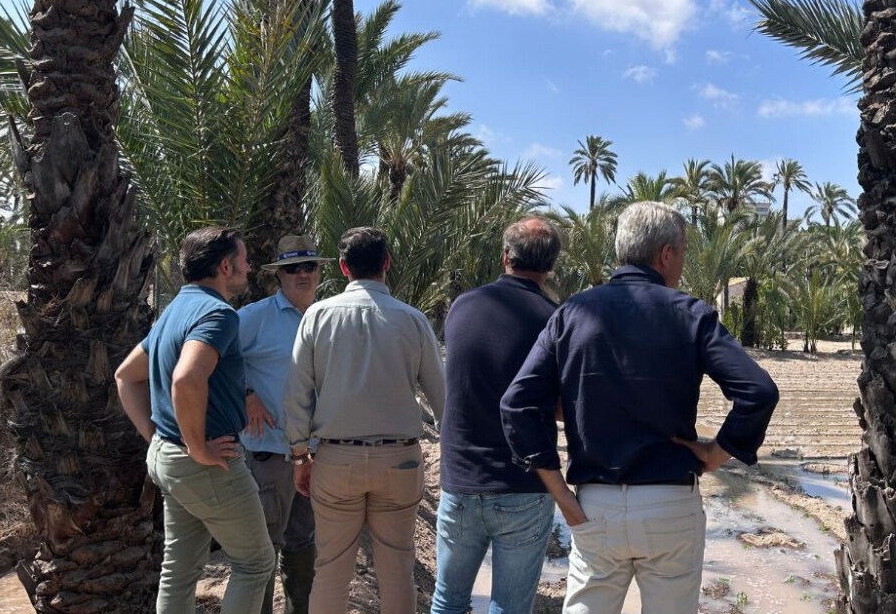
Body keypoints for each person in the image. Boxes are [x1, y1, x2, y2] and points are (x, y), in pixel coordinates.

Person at [500, 201, 780, 614]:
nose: (681, 263)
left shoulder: (571, 314)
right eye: (682, 252)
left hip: (594, 506)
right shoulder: (691, 315)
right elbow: (758, 391)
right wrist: (713, 455)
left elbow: (518, 403)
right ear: (666, 254)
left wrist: (561, 495)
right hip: (670, 505)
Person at [283, 226, 446, 614]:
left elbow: (296, 393)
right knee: (397, 569)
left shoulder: (318, 317)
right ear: (386, 263)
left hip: (336, 462)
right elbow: (442, 400)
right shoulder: (413, 320)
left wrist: (300, 455)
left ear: (342, 267)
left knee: (332, 569)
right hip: (400, 462)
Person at [115, 226, 276, 614]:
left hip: (168, 460)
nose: (250, 268)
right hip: (206, 465)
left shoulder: (176, 309)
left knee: (180, 568)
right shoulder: (218, 314)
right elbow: (186, 377)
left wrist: (157, 438)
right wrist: (197, 446)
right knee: (256, 563)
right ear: (225, 266)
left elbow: (125, 375)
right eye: (244, 261)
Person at [432, 218, 563, 614]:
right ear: (550, 267)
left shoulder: (462, 307)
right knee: (509, 607)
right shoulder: (555, 319)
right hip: (523, 484)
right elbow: (559, 405)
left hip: (461, 481)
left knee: (448, 601)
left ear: (504, 256)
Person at [240, 235, 333, 614]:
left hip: (315, 456)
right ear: (278, 275)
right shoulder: (254, 317)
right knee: (262, 550)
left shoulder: (328, 317)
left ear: (320, 271)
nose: (302, 275)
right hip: (270, 455)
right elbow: (209, 359)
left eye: (309, 266)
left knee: (302, 544)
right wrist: (245, 395)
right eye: (293, 268)